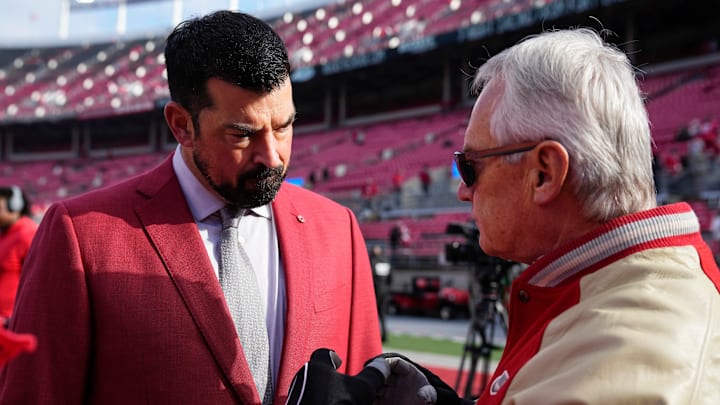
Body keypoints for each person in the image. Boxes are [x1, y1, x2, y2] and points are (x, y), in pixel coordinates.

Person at [288, 28, 720, 404]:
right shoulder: (629, 299)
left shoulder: (632, 340)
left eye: (471, 167)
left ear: (544, 173)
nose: (462, 190)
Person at [0, 10, 381, 404]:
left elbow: (366, 385)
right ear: (181, 124)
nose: (271, 156)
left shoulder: (338, 228)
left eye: (284, 126)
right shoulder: (80, 234)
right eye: (242, 134)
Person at [0, 186, 38, 324]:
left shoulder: (27, 234)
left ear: (15, 207)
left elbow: (37, 282)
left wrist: (12, 319)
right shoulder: (5, 234)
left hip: (11, 322)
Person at [368, 245, 392, 342]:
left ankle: (374, 337)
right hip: (385, 291)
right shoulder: (386, 261)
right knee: (382, 315)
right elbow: (390, 278)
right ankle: (384, 336)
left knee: (374, 315)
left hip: (375, 292)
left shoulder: (372, 261)